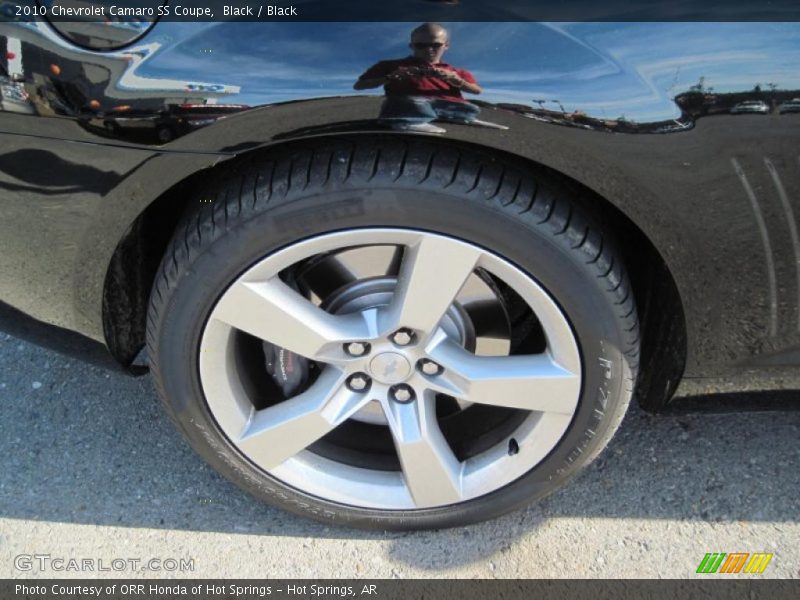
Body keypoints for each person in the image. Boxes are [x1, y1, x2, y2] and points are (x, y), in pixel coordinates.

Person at [355, 23, 501, 133]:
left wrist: (457, 80)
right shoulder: (389, 65)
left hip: (448, 106)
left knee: (471, 107)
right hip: (411, 105)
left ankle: (464, 117)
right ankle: (408, 122)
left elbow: (477, 91)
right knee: (411, 101)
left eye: (435, 45)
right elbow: (359, 85)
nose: (429, 49)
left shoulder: (457, 71)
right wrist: (389, 77)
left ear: (446, 46)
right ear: (411, 46)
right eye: (420, 45)